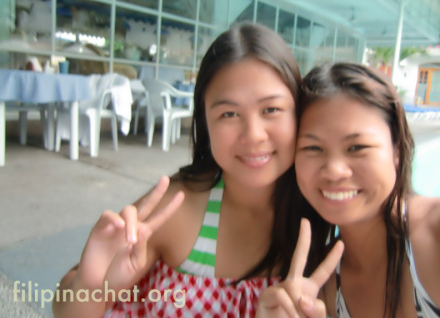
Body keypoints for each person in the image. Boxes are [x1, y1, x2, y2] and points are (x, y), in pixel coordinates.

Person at [52, 23, 304, 317]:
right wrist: (93, 284)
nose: (254, 135)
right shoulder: (177, 208)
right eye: (229, 114)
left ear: (299, 111)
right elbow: (67, 310)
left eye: (271, 109)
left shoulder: (324, 210)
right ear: (205, 122)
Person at [257, 62, 440, 317]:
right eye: (313, 148)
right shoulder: (319, 286)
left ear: (396, 150)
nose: (334, 170)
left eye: (357, 147)